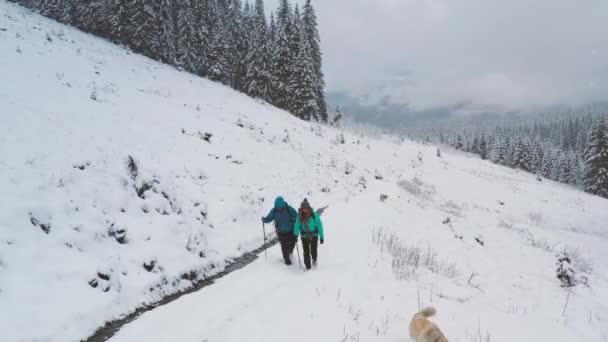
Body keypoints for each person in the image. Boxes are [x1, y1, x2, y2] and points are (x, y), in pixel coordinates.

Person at [262, 196, 298, 265]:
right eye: (278, 207)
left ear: (283, 204)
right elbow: (269, 218)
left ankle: (290, 252)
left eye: (280, 207)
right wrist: (265, 220)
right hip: (280, 232)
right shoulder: (274, 211)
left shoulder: (289, 209)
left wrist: (296, 220)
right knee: (284, 246)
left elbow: (296, 216)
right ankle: (287, 260)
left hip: (290, 230)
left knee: (292, 242)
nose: (279, 208)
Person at [294, 199, 324, 270]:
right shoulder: (299, 216)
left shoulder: (314, 215)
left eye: (306, 208)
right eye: (303, 208)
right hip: (304, 236)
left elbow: (319, 225)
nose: (304, 210)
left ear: (308, 208)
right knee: (306, 251)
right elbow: (297, 225)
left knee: (314, 249)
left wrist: (321, 236)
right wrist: (295, 235)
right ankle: (308, 266)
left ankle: (314, 260)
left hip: (314, 235)